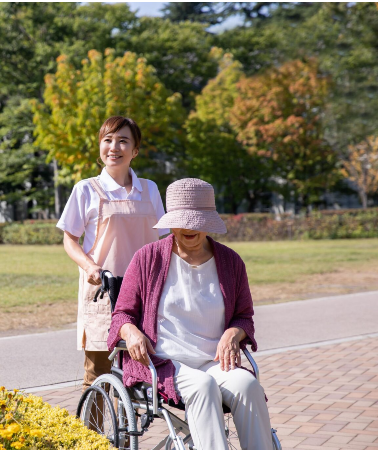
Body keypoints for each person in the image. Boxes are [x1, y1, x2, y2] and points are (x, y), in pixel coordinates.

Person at [107, 178, 273, 450]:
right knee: (202, 386)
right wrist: (132, 332)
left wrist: (233, 333)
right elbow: (122, 314)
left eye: (197, 219)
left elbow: (244, 316)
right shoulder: (147, 259)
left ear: (208, 221)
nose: (189, 227)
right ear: (171, 220)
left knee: (248, 386)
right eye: (182, 219)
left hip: (215, 361)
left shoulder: (231, 262)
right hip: (164, 362)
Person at [57, 116, 168, 391]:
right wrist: (89, 266)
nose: (114, 147)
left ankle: (127, 434)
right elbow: (69, 239)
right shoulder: (86, 189)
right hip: (104, 290)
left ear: (135, 151)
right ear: (99, 147)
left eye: (122, 141)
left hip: (144, 292)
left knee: (137, 373)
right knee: (97, 375)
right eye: (107, 140)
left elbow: (165, 239)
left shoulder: (150, 189)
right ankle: (89, 435)